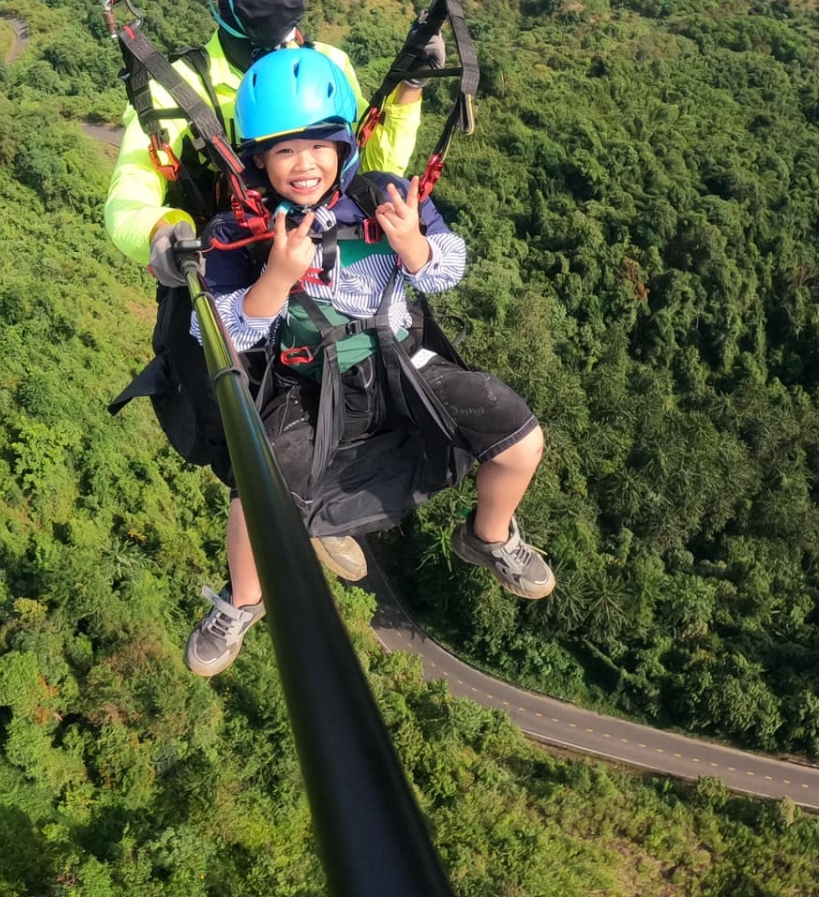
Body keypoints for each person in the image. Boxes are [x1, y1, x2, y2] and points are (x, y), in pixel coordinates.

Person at [182, 47, 553, 678]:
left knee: (519, 439)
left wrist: (411, 243)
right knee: (257, 488)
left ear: (344, 147)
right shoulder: (240, 228)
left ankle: (488, 536)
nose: (305, 166)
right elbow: (211, 329)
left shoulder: (383, 196)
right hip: (306, 380)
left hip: (399, 360)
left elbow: (448, 270)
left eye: (319, 147)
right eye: (284, 151)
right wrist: (275, 277)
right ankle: (243, 601)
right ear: (259, 160)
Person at [105, 0, 439, 583]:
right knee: (248, 432)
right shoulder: (178, 87)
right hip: (237, 286)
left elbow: (369, 176)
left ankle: (321, 508)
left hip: (324, 277)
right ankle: (267, 562)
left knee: (360, 381)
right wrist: (163, 231)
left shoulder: (329, 67)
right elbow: (129, 197)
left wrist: (405, 100)